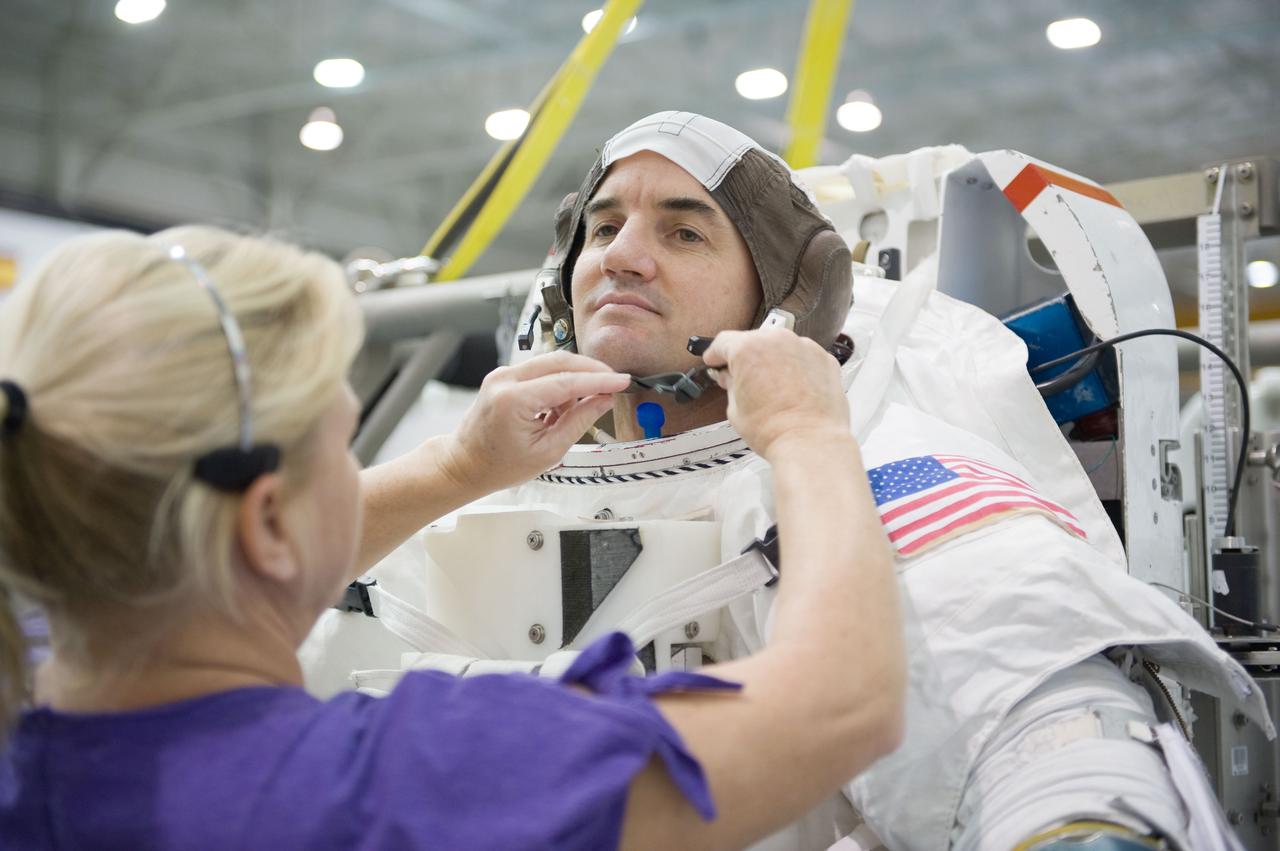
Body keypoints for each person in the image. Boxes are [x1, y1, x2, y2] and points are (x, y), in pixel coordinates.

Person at [304, 112, 1272, 851]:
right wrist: (457, 469)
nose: (620, 256)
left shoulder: (874, 460)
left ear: (783, 296)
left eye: (682, 233)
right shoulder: (474, 476)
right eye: (601, 228)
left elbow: (1033, 702)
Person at [0, 226, 907, 849]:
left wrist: (456, 470)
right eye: (340, 446)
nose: (624, 255)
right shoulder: (411, 781)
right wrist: (811, 433)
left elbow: (224, 572)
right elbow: (841, 701)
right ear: (268, 522)